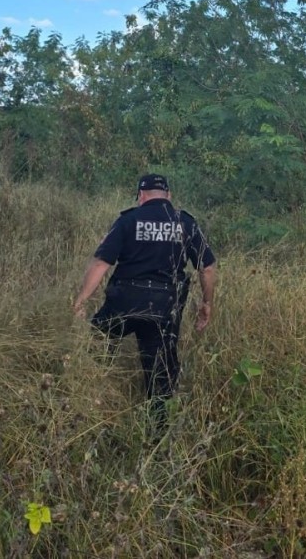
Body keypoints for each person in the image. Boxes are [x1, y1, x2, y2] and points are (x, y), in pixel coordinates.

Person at [73, 173, 217, 425]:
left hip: (123, 301)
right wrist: (206, 303)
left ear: (141, 196)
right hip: (164, 309)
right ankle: (157, 437)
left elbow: (101, 262)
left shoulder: (128, 220)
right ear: (169, 196)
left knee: (95, 351)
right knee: (161, 376)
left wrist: (82, 299)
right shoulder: (185, 223)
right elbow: (207, 267)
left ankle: (85, 411)